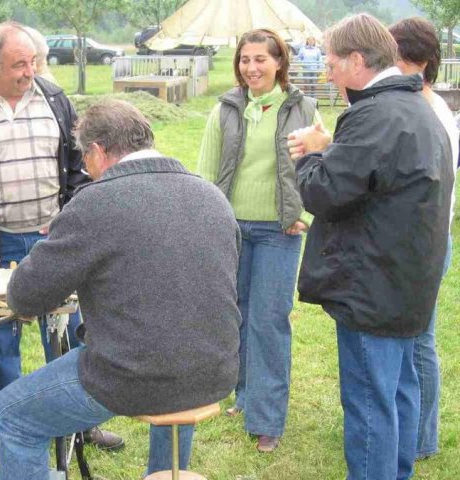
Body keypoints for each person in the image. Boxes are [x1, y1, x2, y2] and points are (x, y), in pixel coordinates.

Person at [0, 98, 241, 479]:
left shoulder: (94, 203)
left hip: (133, 375)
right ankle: (165, 470)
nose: (85, 170)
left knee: (13, 414)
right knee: (175, 357)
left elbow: (26, 296)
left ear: (97, 151)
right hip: (214, 369)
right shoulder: (211, 196)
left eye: (84, 159)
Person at [0, 22, 123, 450]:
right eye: (19, 64)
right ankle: (10, 433)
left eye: (33, 61)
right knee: (1, 348)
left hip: (57, 241)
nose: (29, 71)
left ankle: (79, 428)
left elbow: (78, 167)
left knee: (72, 339)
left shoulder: (54, 99)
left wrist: (76, 219)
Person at [288, 13, 453, 479]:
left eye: (332, 62)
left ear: (357, 60)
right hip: (406, 283)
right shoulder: (417, 107)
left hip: (372, 289)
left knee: (368, 408)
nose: (328, 72)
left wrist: (313, 154)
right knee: (398, 394)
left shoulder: (373, 116)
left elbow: (324, 193)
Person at [197, 28, 319, 453]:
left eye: (260, 60)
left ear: (280, 62)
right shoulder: (226, 109)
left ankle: (267, 419)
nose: (251, 68)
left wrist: (301, 214)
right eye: (244, 60)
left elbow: (316, 166)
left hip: (278, 232)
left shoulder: (303, 108)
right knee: (239, 316)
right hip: (232, 228)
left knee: (269, 320)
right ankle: (246, 396)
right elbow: (207, 173)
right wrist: (210, 223)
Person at [389, 16, 458, 460]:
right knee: (417, 342)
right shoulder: (432, 107)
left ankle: (419, 439)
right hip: (426, 239)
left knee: (418, 344)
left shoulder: (428, 111)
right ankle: (415, 433)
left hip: (423, 242)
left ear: (413, 61)